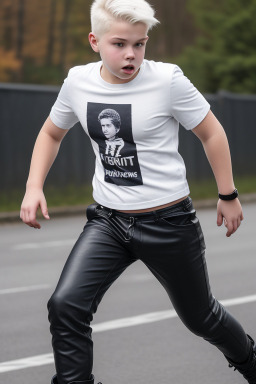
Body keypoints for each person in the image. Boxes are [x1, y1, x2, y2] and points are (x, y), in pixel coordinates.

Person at [20, 0, 256, 383]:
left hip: (169, 222)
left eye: (140, 44)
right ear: (94, 41)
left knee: (202, 319)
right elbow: (51, 132)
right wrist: (34, 187)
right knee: (65, 305)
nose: (131, 55)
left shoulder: (167, 80)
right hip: (109, 222)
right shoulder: (78, 81)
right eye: (119, 44)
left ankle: (251, 363)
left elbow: (211, 132)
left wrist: (227, 194)